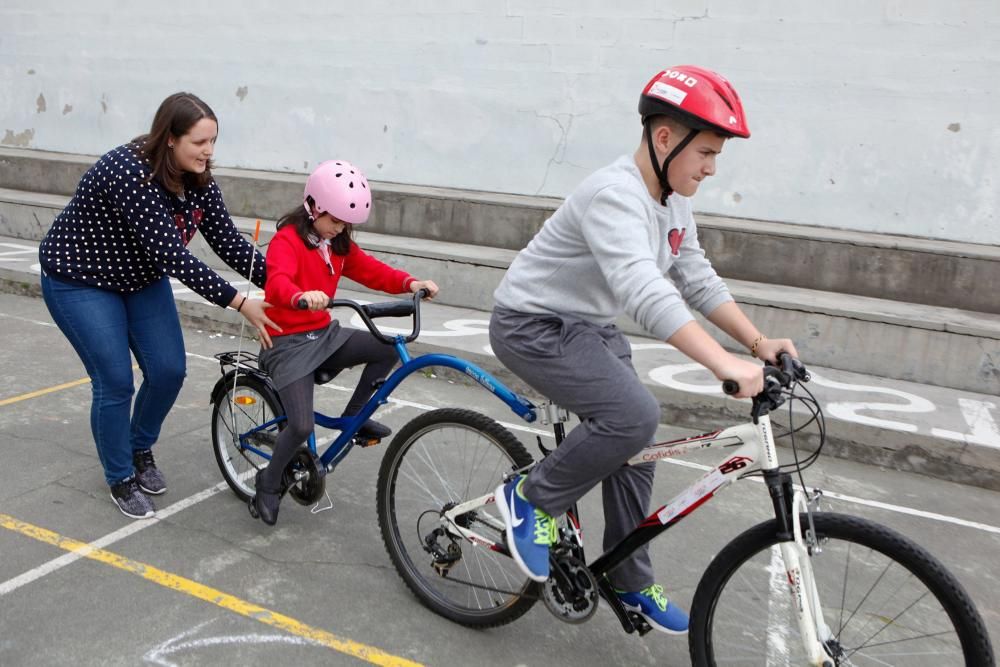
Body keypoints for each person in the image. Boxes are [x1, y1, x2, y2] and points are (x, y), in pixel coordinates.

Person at [489, 66, 798, 635]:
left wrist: (757, 342)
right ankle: (530, 499)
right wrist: (723, 363)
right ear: (664, 139)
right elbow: (642, 287)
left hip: (586, 326)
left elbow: (694, 276)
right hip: (532, 323)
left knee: (634, 443)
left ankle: (627, 575)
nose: (711, 167)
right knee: (632, 415)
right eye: (705, 152)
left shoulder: (672, 199)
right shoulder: (615, 195)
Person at [38, 92, 278, 520]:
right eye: (199, 142)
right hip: (79, 279)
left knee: (169, 370)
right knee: (114, 381)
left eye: (213, 141)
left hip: (137, 278)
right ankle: (120, 476)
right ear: (170, 138)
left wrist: (284, 284)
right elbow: (175, 257)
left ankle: (138, 446)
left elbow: (227, 242)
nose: (208, 152)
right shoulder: (131, 172)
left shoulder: (199, 177)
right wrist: (240, 302)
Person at [249, 159, 438, 527]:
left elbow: (370, 269)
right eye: (334, 220)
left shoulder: (336, 244)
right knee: (301, 426)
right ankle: (268, 483)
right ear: (313, 207)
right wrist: (301, 296)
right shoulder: (287, 240)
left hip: (323, 335)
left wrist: (409, 283)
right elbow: (277, 283)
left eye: (345, 223)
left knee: (386, 346)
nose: (340, 228)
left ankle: (354, 417)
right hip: (286, 343)